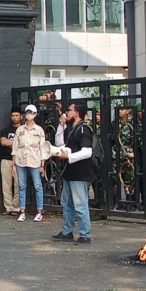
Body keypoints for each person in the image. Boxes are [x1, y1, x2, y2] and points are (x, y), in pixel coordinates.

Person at [52, 104, 95, 245]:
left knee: (80, 204)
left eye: (69, 111)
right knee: (67, 203)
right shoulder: (72, 128)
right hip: (70, 173)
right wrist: (60, 125)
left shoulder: (83, 129)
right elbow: (60, 143)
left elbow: (87, 151)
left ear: (76, 113)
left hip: (79, 173)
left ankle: (85, 234)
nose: (66, 113)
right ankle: (67, 231)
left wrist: (69, 158)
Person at [12, 104, 46, 222]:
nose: (29, 114)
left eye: (31, 112)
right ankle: (22, 211)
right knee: (21, 186)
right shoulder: (20, 130)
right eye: (27, 112)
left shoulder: (39, 130)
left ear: (36, 114)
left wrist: (42, 164)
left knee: (37, 186)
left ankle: (39, 211)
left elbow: (43, 149)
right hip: (21, 160)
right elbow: (15, 148)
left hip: (35, 161)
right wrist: (13, 165)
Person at [0, 107, 21, 216]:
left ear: (21, 116)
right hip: (6, 159)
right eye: (13, 115)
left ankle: (16, 207)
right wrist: (17, 143)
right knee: (6, 184)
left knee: (18, 184)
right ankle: (8, 207)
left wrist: (11, 143)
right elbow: (3, 142)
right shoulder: (5, 130)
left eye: (17, 115)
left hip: (19, 160)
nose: (14, 118)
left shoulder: (23, 130)